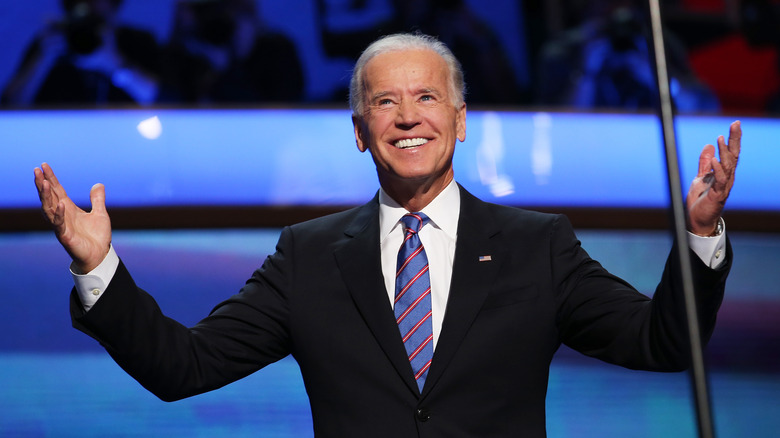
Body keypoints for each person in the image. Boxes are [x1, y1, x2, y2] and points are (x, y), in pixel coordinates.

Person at [35, 33, 740, 437]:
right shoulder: (306, 257)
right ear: (359, 132)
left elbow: (662, 342)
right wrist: (100, 269)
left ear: (461, 120)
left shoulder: (538, 245)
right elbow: (180, 368)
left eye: (427, 97)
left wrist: (702, 236)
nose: (408, 118)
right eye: (385, 102)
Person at [2, 0, 160, 107]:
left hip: (127, 142)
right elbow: (10, 107)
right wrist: (42, 61)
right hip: (60, 145)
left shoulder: (138, 41)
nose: (89, 6)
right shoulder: (52, 42)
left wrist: (114, 64)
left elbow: (167, 101)